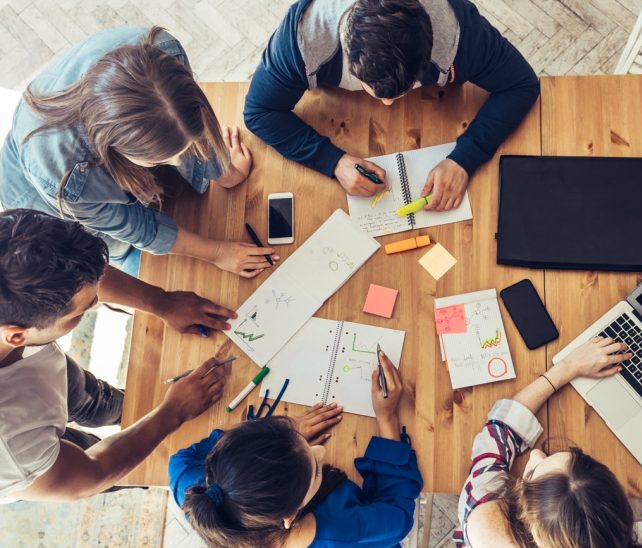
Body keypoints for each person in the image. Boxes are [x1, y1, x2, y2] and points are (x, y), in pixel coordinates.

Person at [0, 26, 276, 278]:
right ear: (115, 150)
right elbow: (140, 229)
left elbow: (182, 121)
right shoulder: (69, 179)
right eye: (162, 159)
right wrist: (218, 253)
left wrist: (224, 171)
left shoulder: (163, 51)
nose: (179, 161)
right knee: (125, 254)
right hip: (37, 193)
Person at [0, 209, 234, 502]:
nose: (98, 301)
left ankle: (122, 409)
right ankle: (150, 477)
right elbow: (90, 475)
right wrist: (173, 412)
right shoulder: (11, 445)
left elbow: (81, 276)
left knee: (93, 397)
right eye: (83, 310)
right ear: (17, 335)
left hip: (31, 373)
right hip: (36, 456)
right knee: (120, 466)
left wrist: (162, 302)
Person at [244, 0, 539, 211]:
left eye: (404, 90)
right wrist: (331, 160)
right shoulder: (301, 42)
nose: (387, 104)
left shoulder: (463, 35)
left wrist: (465, 158)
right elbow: (258, 112)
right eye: (373, 90)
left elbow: (522, 84)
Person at [455, 337, 642, 548]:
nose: (535, 453)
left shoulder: (481, 506)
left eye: (535, 471)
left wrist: (567, 367)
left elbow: (500, 430)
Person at [169, 352, 423, 548]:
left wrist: (278, 436)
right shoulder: (341, 537)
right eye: (316, 471)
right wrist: (388, 419)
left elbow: (179, 460)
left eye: (297, 437)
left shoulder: (193, 488)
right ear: (290, 515)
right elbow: (398, 513)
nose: (320, 451)